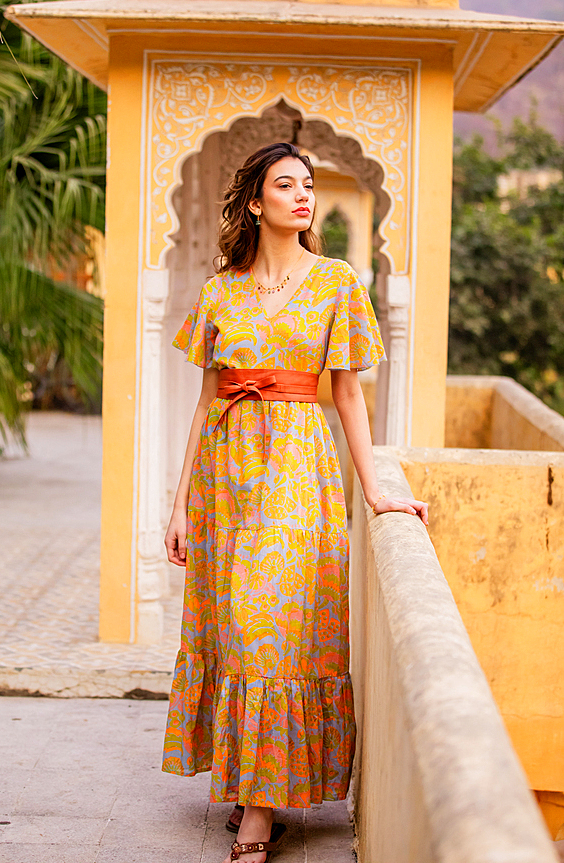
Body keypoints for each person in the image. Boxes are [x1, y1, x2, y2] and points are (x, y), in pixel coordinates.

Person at [162, 142, 428, 863]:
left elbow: (347, 394)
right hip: (225, 475)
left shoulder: (337, 281)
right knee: (232, 631)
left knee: (266, 626)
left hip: (295, 471)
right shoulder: (220, 291)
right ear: (255, 203)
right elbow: (208, 396)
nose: (303, 195)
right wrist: (180, 500)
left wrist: (374, 489)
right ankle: (258, 792)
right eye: (286, 185)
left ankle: (256, 814)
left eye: (308, 185)